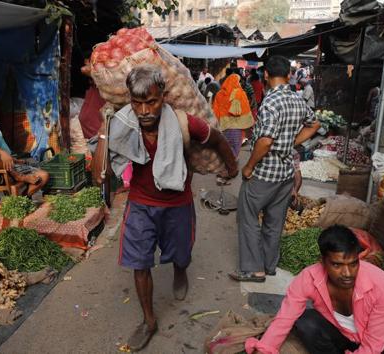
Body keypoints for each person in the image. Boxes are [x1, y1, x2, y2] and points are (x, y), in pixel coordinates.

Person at [92, 65, 238, 351]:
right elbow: (99, 174)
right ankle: (149, 321)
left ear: (164, 97)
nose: (144, 110)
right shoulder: (121, 125)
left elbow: (218, 139)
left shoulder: (184, 123)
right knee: (139, 262)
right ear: (130, 101)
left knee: (180, 253)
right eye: (137, 103)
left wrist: (231, 168)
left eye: (152, 101)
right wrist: (103, 131)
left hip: (177, 204)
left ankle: (180, 270)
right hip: (140, 205)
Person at [245, 225, 384, 354]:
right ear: (322, 261)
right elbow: (284, 319)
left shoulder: (383, 287)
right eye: (337, 265)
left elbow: (373, 345)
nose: (347, 273)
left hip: (373, 342)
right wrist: (264, 349)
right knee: (306, 322)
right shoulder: (308, 278)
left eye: (353, 264)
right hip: (338, 335)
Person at [229, 56, 320, 283]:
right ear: (289, 76)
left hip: (265, 173)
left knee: (247, 216)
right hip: (286, 174)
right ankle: (269, 265)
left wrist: (249, 166)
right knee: (274, 222)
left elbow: (266, 141)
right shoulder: (298, 99)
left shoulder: (271, 102)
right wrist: (291, 142)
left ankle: (253, 269)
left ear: (266, 75)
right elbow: (315, 124)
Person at [212, 73, 255, 159]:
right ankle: (230, 167)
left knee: (224, 148)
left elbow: (215, 110)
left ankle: (225, 167)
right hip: (236, 128)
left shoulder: (219, 94)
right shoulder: (240, 93)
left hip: (223, 127)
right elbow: (246, 108)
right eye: (239, 81)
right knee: (235, 149)